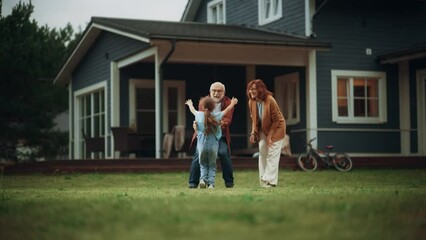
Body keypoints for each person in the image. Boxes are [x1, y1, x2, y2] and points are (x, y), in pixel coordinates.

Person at [188, 82, 236, 188]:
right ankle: (193, 183)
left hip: (220, 135)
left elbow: (227, 119)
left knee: (223, 153)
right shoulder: (204, 102)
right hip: (204, 136)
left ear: (224, 92)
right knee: (197, 155)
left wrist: (218, 124)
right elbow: (199, 117)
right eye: (214, 91)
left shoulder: (228, 102)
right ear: (210, 92)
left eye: (219, 91)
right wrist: (195, 125)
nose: (216, 93)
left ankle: (229, 182)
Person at [246, 79, 286, 188]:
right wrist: (253, 133)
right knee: (262, 150)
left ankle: (270, 180)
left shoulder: (270, 100)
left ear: (261, 89)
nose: (251, 91)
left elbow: (276, 120)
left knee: (272, 152)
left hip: (277, 128)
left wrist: (270, 137)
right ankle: (264, 181)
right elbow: (254, 119)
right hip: (263, 129)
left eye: (254, 89)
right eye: (250, 89)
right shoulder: (251, 102)